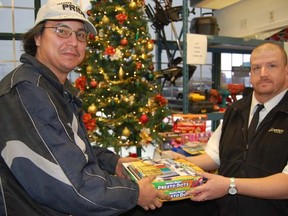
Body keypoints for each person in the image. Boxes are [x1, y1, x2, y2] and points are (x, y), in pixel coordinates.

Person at [0, 0, 171, 215]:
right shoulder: (27, 92)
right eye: (62, 31)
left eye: (80, 35)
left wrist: (114, 163)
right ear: (37, 37)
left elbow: (70, 149)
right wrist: (135, 193)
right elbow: (72, 187)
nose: (73, 42)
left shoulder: (55, 89)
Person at [166, 42, 288, 216]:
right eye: (256, 68)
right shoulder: (235, 110)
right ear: (250, 74)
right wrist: (180, 162)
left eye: (272, 66)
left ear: (286, 70)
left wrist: (230, 185)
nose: (263, 74)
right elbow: (214, 156)